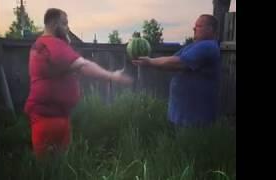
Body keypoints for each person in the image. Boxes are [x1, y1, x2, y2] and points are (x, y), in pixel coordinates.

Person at [24, 8, 132, 158]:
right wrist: (112, 76)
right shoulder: (52, 44)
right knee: (49, 169)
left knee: (54, 168)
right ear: (55, 25)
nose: (68, 28)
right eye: (65, 23)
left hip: (53, 116)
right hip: (49, 119)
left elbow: (60, 71)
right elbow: (82, 65)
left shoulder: (41, 45)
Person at [132, 14, 221, 127]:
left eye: (198, 26)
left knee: (192, 144)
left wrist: (150, 62)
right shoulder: (193, 46)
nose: (194, 28)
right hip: (181, 115)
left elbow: (178, 63)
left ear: (210, 29)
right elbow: (170, 61)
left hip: (195, 119)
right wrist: (150, 62)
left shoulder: (208, 46)